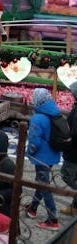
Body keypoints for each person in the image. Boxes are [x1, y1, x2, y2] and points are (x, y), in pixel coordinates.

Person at [24, 88, 61, 230]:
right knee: (42, 182)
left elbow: (34, 142)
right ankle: (33, 208)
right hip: (53, 155)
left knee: (45, 187)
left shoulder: (37, 118)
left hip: (41, 157)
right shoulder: (55, 113)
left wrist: (28, 152)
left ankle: (53, 219)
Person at [61, 83, 77, 216]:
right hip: (73, 149)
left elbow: (75, 133)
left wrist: (67, 139)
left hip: (74, 152)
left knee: (67, 175)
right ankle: (74, 208)